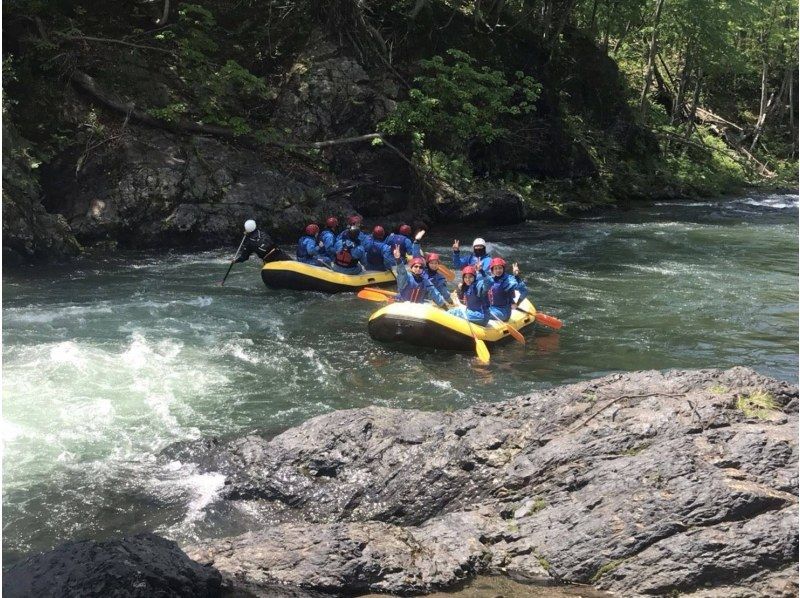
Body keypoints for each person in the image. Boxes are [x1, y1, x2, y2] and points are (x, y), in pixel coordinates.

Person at [410, 230, 450, 301]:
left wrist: (449, 300)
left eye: (436, 263)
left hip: (431, 300)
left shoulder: (440, 277)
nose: (434, 265)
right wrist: (416, 241)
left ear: (438, 265)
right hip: (419, 297)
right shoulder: (421, 271)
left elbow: (444, 291)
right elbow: (416, 256)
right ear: (427, 263)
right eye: (431, 263)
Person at [484, 257, 527, 321]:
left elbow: (524, 291)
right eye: (495, 268)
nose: (498, 270)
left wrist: (517, 304)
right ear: (492, 270)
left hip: (503, 312)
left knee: (480, 314)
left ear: (503, 269)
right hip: (492, 308)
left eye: (500, 268)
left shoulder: (509, 280)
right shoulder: (491, 279)